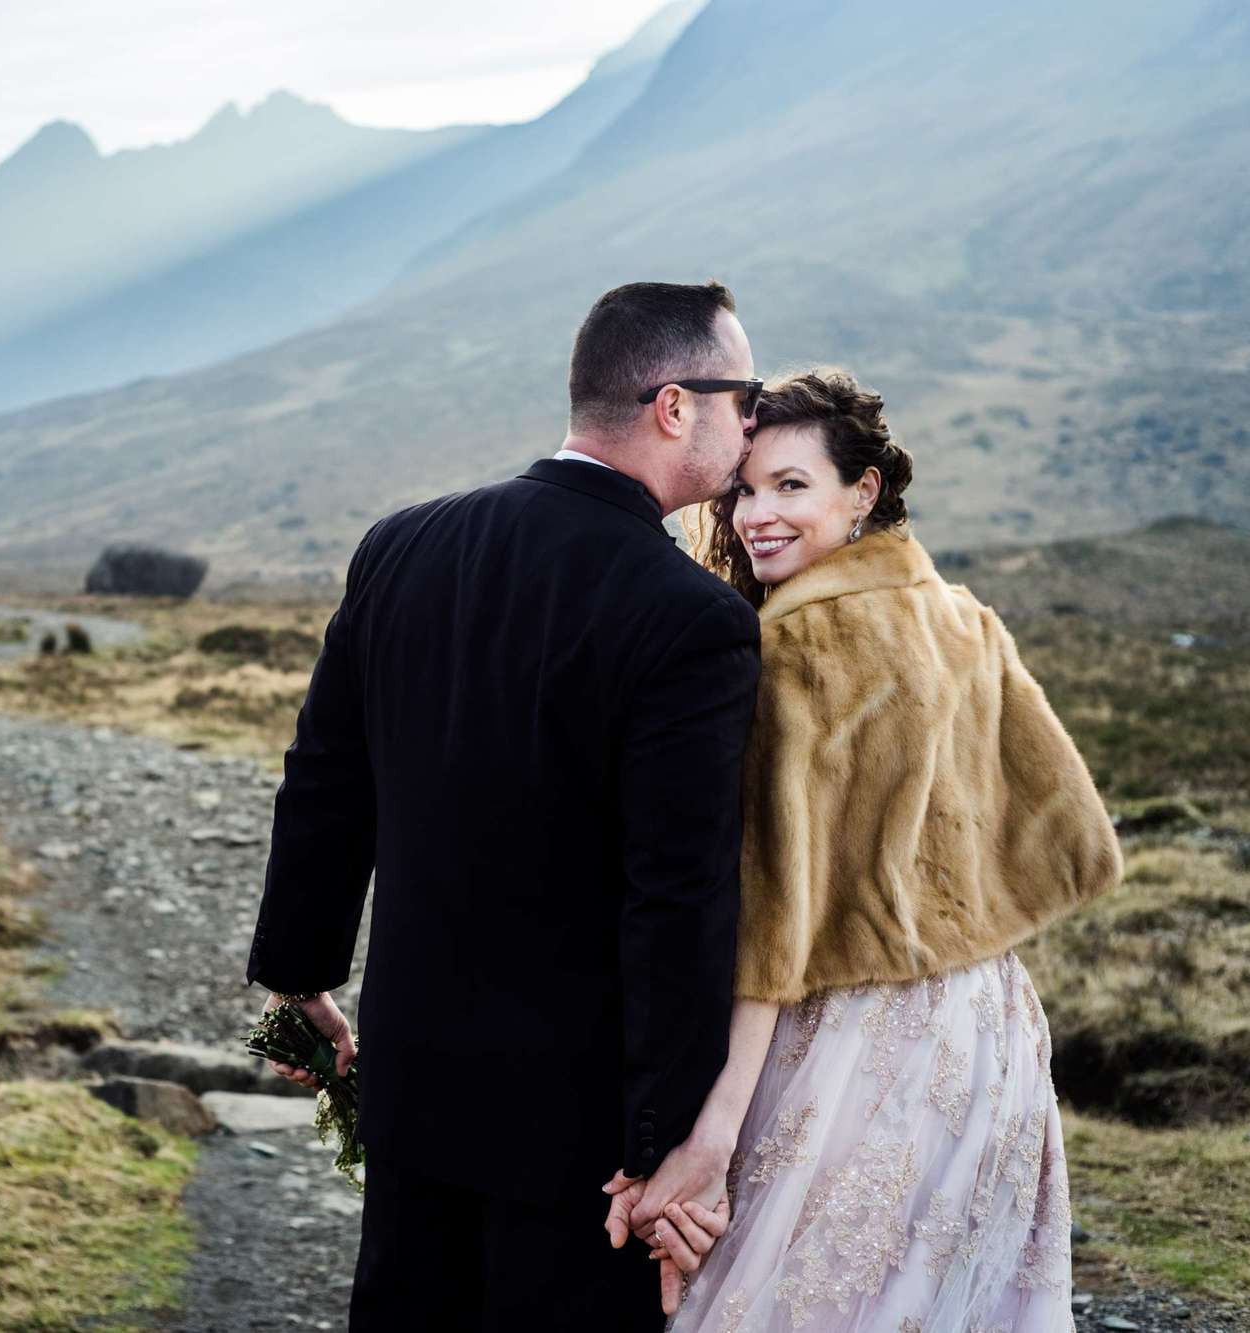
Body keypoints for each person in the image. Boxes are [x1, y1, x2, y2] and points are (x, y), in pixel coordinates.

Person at [243, 281, 764, 1329]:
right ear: (673, 406)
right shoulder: (692, 620)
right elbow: (675, 896)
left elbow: (324, 779)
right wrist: (665, 1141)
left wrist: (298, 974)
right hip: (574, 1128)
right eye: (742, 398)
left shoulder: (401, 544)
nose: (751, 424)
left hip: (413, 1072)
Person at [634, 369, 1123, 1330]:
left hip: (849, 1040)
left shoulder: (794, 645)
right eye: (742, 488)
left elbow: (777, 927)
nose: (753, 515)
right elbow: (1071, 833)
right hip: (990, 1028)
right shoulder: (963, 617)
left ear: (864, 491)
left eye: (791, 486)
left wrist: (711, 1137)